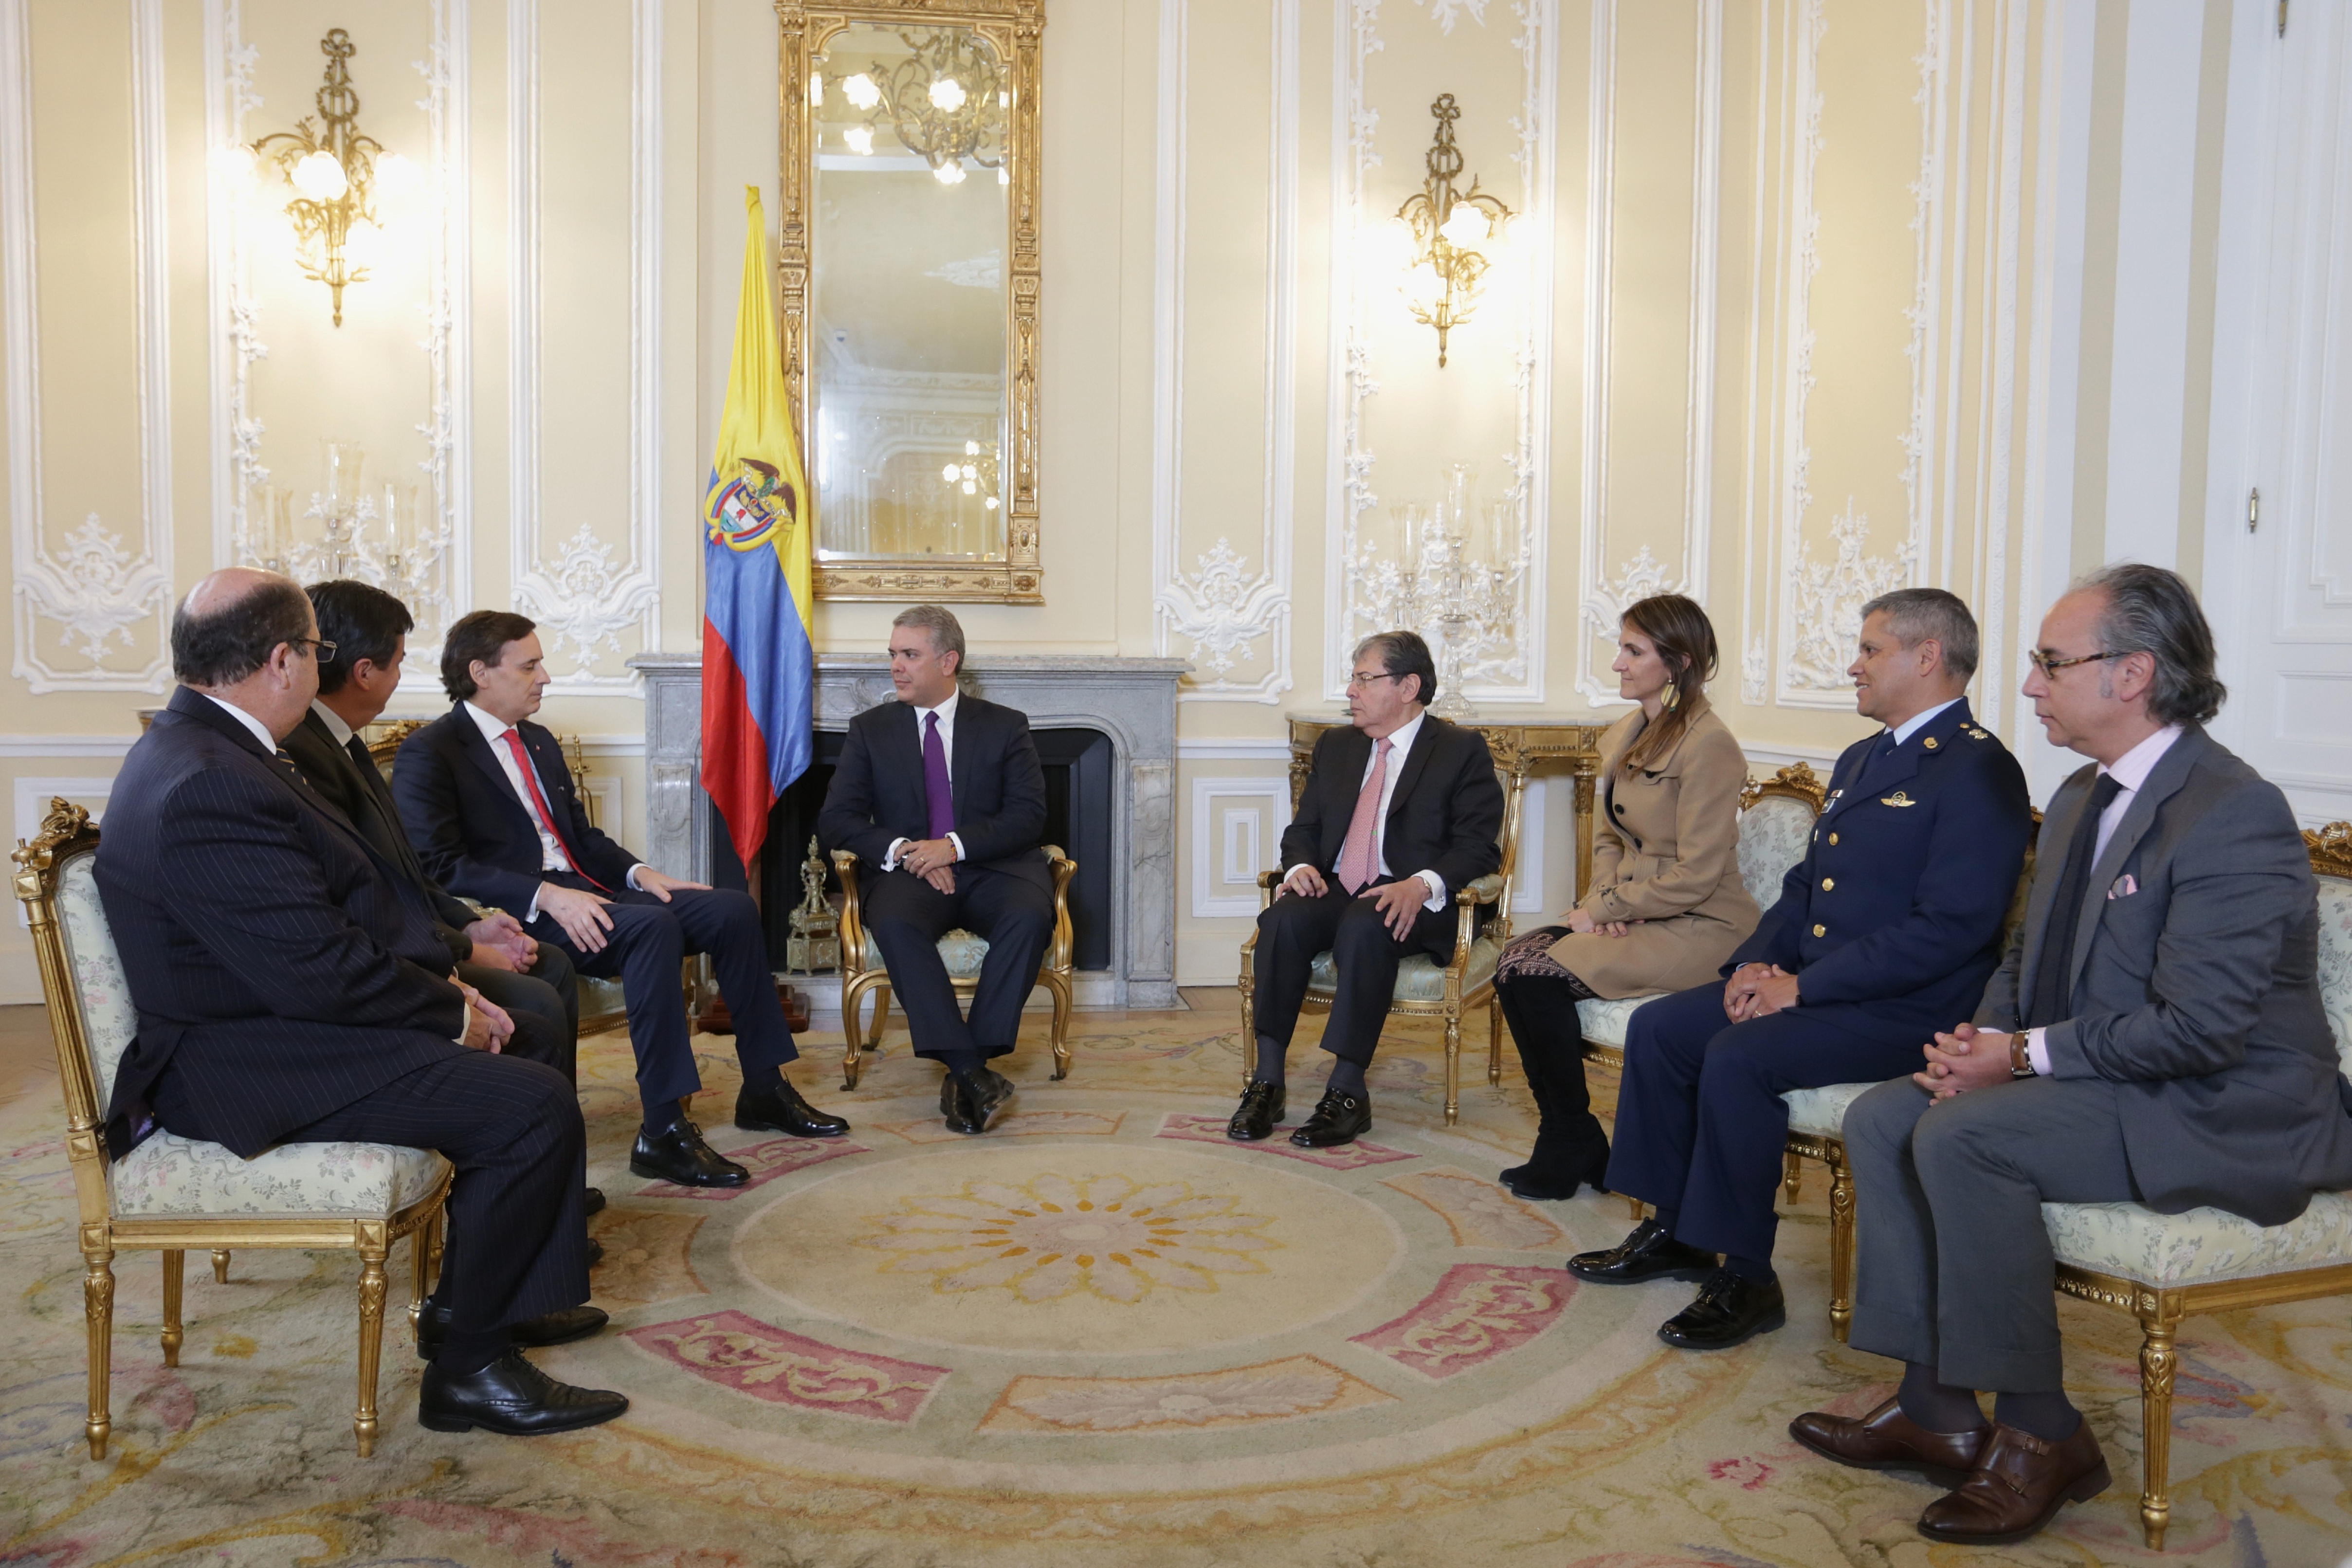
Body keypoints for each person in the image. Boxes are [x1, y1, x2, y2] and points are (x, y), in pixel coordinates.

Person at [1792, 564, 2352, 1546]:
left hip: (2220, 1099)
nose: (2028, 685)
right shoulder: (2081, 792)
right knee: (1886, 1113)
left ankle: (2044, 1431)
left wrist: (2014, 1057)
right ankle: (1935, 1404)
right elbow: (2024, 955)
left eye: (2050, 664)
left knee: (1967, 1141)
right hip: (2108, 1074)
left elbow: (2201, 1031)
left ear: (2130, 673)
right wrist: (1978, 1041)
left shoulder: (2229, 813)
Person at [97, 568, 624, 1436]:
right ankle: (469, 1369)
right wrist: (451, 1009)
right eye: (313, 650)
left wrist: (447, 980)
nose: (320, 665)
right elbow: (317, 967)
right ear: (280, 660)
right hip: (243, 1059)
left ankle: (490, 1304)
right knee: (529, 1107)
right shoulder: (209, 779)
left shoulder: (213, 748)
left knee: (524, 1043)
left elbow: (324, 929)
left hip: (272, 1020)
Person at [1571, 588, 2031, 1351]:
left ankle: (1748, 1274)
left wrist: (1802, 987)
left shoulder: (1979, 770)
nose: (1854, 665)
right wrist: (1758, 961)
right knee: (1663, 1027)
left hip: (1906, 1007)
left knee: (1738, 1057)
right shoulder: (1864, 757)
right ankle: (1677, 1229)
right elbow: (1803, 887)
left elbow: (1951, 929)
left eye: (1871, 649)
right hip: (1820, 985)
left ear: (1926, 658)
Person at [394, 610, 847, 1189]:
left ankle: (764, 1088)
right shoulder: (430, 752)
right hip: (524, 917)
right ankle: (662, 1130)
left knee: (732, 907)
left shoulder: (537, 740)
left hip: (595, 895)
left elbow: (581, 839)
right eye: (530, 665)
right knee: (651, 931)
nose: (546, 677)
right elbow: (437, 864)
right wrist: (547, 895)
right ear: (480, 672)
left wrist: (642, 873)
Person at [1492, 595, 1759, 1200]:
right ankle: (1573, 1134)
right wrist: (1605, 904)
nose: (1617, 663)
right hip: (1644, 912)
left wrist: (1608, 911)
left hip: (1703, 927)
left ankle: (1569, 1139)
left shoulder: (1710, 745)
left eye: (1633, 651)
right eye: (1623, 647)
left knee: (1534, 974)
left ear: (1677, 663)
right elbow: (1610, 837)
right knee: (1515, 961)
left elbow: (1696, 875)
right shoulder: (1626, 731)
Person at [1233, 630, 1504, 1149]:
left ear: (1408, 687)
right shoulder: (1338, 747)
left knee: (1366, 922)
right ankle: (1267, 1082)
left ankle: (1347, 1091)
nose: (1351, 691)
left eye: (1364, 679)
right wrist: (1299, 869)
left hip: (1411, 899)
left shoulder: (1459, 750)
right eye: (1353, 679)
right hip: (1341, 885)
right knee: (1282, 919)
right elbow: (1304, 829)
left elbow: (1477, 848)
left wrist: (1422, 885)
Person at [816, 605, 1053, 1134]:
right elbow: (837, 819)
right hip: (910, 876)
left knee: (1031, 917)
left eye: (909, 655)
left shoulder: (1005, 726)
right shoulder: (870, 731)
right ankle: (970, 1071)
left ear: (948, 661)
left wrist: (952, 847)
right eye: (893, 655)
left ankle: (969, 1062)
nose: (896, 666)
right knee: (896, 923)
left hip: (993, 869)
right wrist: (907, 851)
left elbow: (1029, 816)